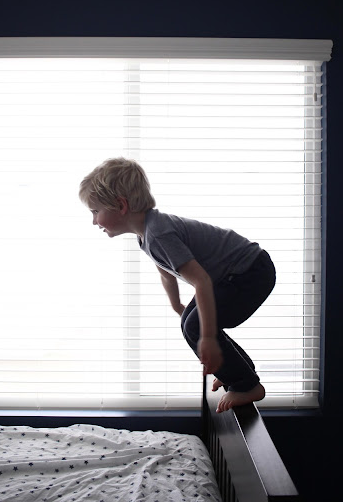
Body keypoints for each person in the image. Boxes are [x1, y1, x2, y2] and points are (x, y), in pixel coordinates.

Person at [79, 157, 276, 413]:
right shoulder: (146, 234)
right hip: (233, 274)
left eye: (95, 212)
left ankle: (246, 385)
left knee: (197, 327)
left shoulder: (158, 233)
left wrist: (207, 338)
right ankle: (235, 373)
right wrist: (177, 305)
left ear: (121, 205)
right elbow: (166, 273)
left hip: (250, 272)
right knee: (189, 322)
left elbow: (201, 280)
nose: (94, 221)